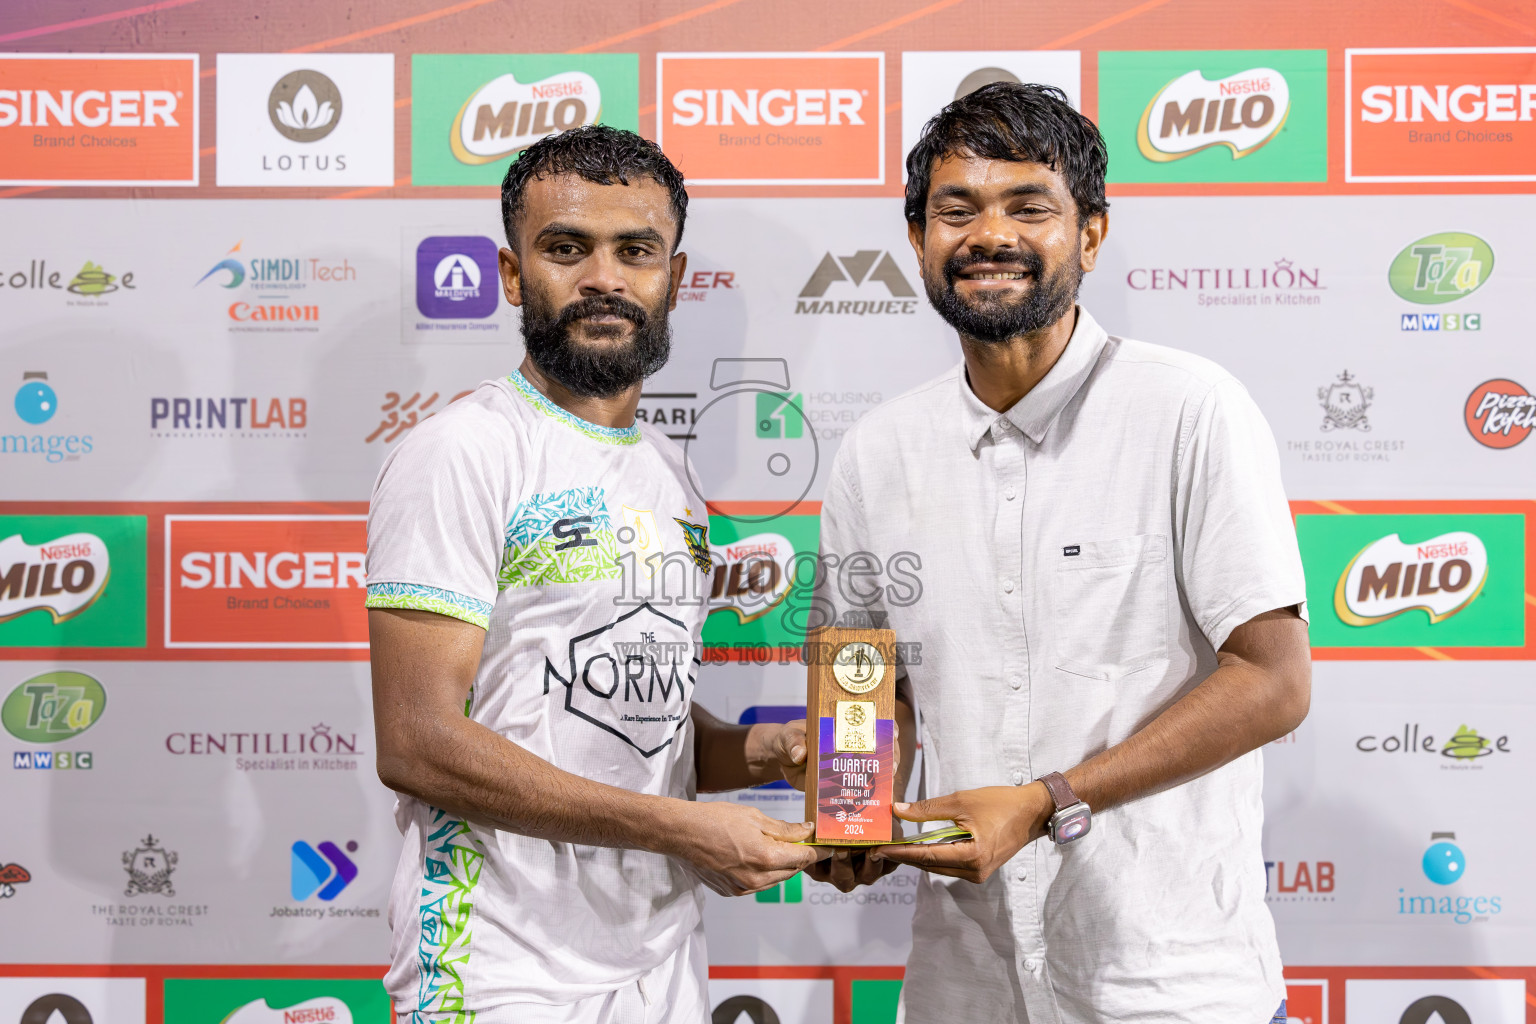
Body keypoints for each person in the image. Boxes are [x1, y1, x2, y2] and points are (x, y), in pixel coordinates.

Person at [809, 83, 1310, 1024]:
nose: (988, 234)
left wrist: (1046, 801)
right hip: (968, 985)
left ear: (1090, 235)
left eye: (1028, 206)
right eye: (955, 209)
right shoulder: (878, 449)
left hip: (1172, 987)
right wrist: (852, 817)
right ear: (916, 239)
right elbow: (864, 684)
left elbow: (1274, 682)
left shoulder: (1190, 410)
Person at [365, 125, 824, 1024]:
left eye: (635, 251)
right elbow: (416, 740)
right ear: (509, 274)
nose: (604, 278)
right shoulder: (462, 452)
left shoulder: (672, 477)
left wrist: (752, 753)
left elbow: (615, 712)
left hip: (657, 960)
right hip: (496, 968)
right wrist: (683, 830)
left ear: (675, 279)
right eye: (567, 248)